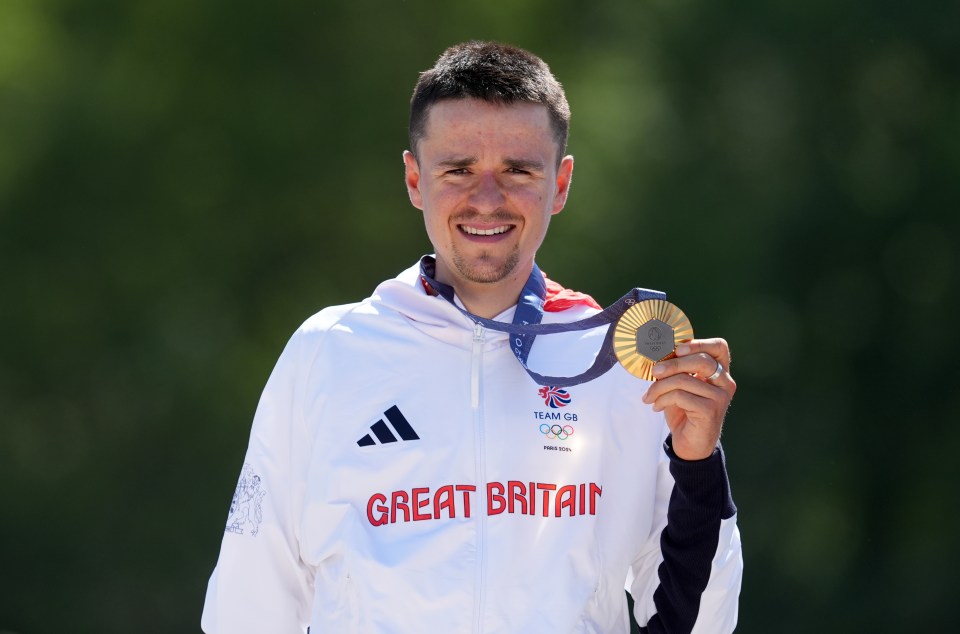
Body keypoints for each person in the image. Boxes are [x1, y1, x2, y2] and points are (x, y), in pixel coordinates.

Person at [201, 41, 742, 633]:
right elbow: (248, 609)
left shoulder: (613, 362)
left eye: (518, 170)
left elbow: (704, 621)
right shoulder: (328, 353)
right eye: (458, 169)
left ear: (559, 185)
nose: (487, 199)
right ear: (414, 179)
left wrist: (698, 465)